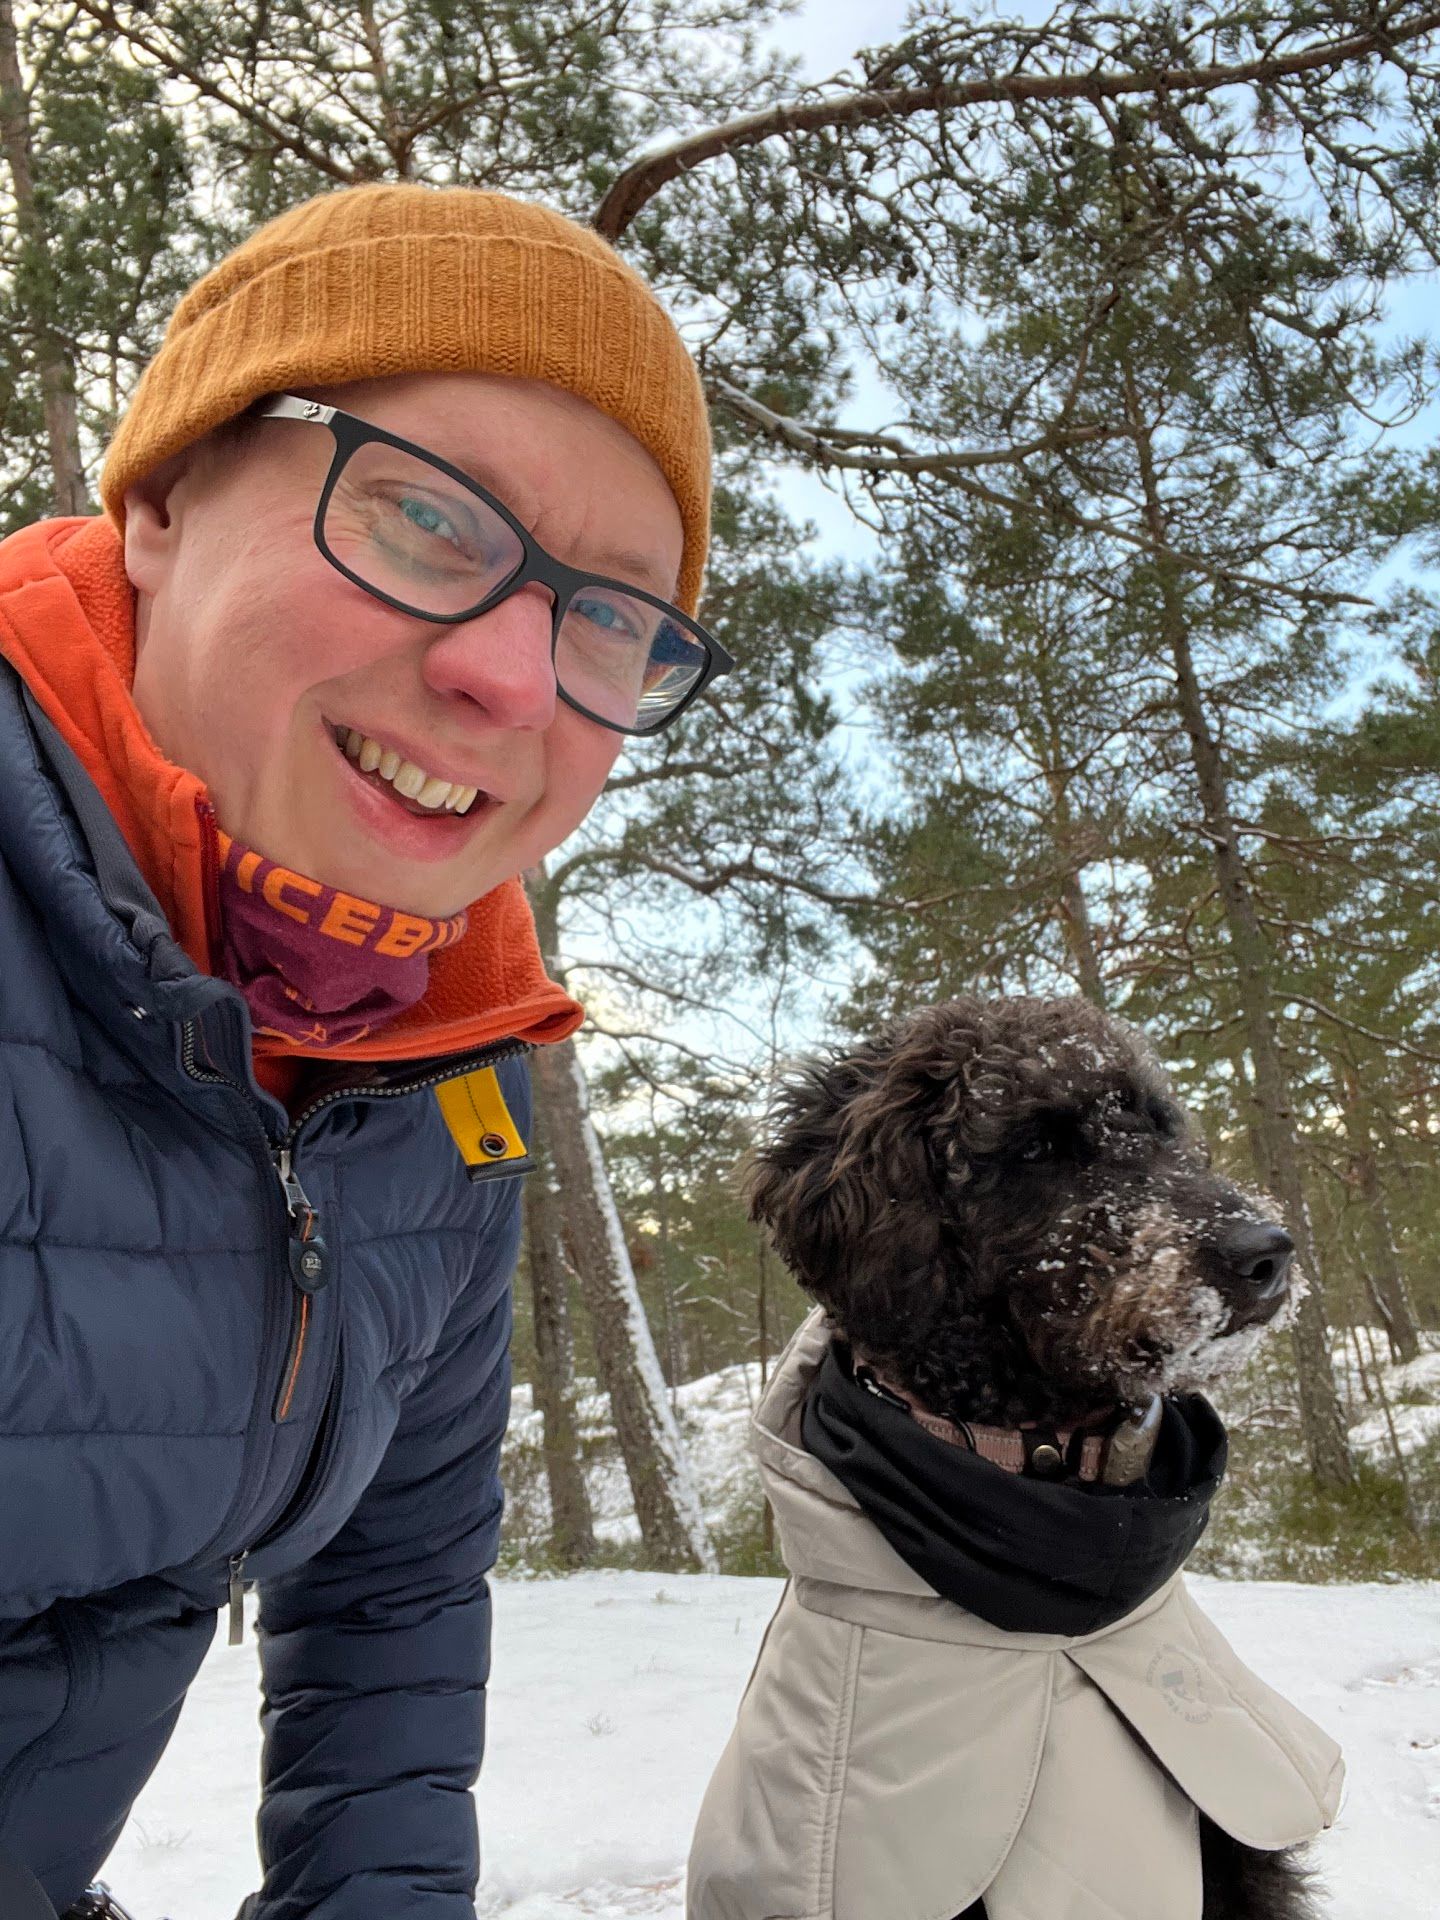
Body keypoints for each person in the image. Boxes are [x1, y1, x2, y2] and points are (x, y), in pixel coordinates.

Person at [0, 182, 728, 1919]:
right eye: (423, 519)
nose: (510, 675)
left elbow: (397, 1587)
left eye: (611, 619)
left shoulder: (448, 1067)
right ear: (164, 494)